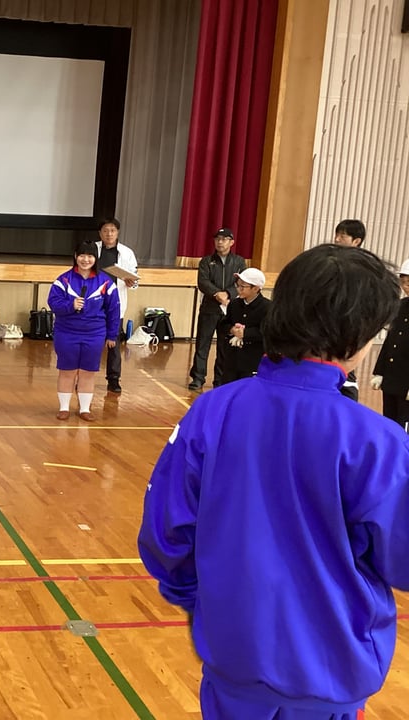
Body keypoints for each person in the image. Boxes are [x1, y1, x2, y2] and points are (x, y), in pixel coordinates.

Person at [137, 244, 409, 719]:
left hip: (233, 658)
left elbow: (165, 536)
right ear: (357, 337)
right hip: (330, 671)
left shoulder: (213, 410)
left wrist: (209, 606)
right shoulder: (377, 441)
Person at [47, 241, 120, 421]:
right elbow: (53, 303)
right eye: (82, 255)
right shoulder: (63, 280)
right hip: (66, 332)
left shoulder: (106, 282)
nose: (85, 260)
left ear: (96, 258)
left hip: (94, 334)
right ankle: (64, 408)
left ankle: (85, 409)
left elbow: (114, 310)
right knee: (67, 371)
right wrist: (70, 305)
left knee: (88, 372)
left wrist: (112, 335)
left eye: (90, 256)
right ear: (75, 256)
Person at [187, 228, 246, 391]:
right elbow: (203, 282)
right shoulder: (206, 261)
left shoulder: (239, 262)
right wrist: (216, 294)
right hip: (210, 308)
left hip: (230, 309)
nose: (220, 242)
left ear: (231, 242)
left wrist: (228, 293)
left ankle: (220, 379)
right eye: (217, 239)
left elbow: (242, 282)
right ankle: (198, 378)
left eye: (224, 239)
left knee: (224, 346)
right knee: (202, 344)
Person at [94, 216, 138, 393]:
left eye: (112, 230)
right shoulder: (93, 249)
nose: (109, 234)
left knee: (114, 342)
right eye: (105, 231)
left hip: (115, 302)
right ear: (100, 233)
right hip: (94, 301)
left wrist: (131, 282)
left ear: (117, 232)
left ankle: (113, 379)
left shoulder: (126, 253)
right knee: (90, 340)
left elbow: (135, 279)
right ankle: (83, 375)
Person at [370, 259, 409, 430]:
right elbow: (390, 341)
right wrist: (380, 372)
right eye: (403, 282)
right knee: (389, 422)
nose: (405, 286)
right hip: (393, 378)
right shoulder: (401, 305)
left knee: (404, 427)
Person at [332, 218, 366, 400]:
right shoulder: (330, 261)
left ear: (356, 241)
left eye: (342, 236)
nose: (337, 239)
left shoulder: (363, 267)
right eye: (336, 234)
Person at [218, 268, 271, 383]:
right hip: (232, 359)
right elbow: (223, 324)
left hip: (253, 359)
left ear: (255, 288)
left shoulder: (267, 307)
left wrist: (245, 333)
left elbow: (267, 332)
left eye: (243, 286)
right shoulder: (234, 304)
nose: (239, 289)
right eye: (237, 285)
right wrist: (232, 329)